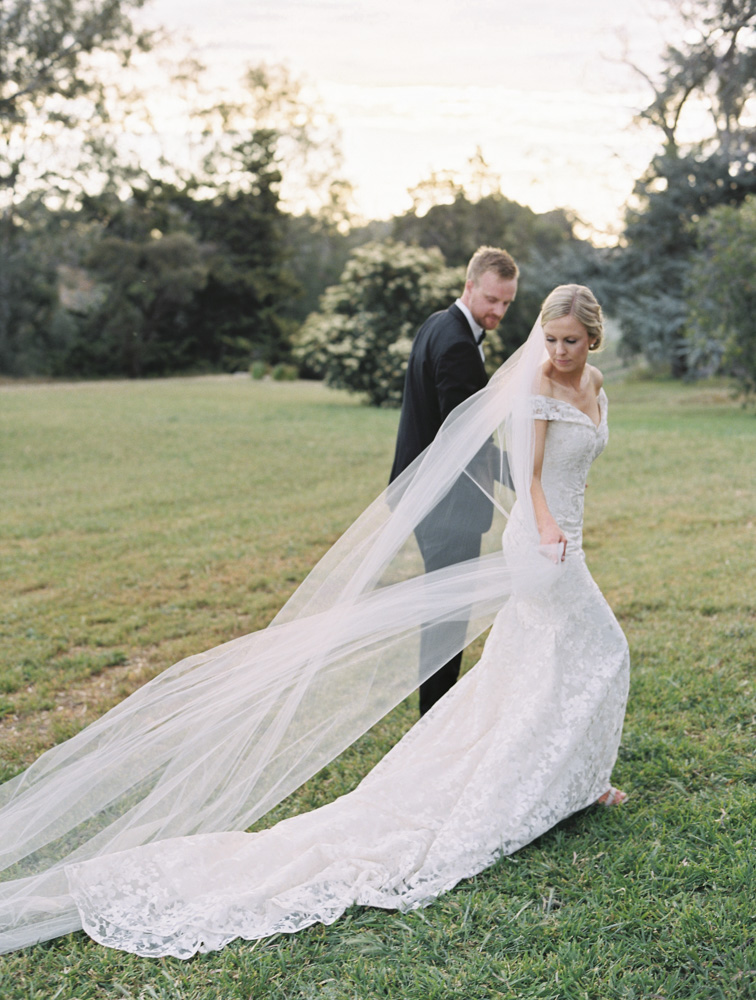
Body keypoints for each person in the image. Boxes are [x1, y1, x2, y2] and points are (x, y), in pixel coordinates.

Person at [0, 285, 628, 959]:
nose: (557, 352)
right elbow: (528, 475)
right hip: (543, 543)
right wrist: (546, 528)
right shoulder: (536, 383)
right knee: (599, 646)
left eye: (569, 341)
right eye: (550, 339)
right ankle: (551, 781)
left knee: (544, 659)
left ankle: (569, 777)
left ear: (592, 339)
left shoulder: (592, 383)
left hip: (570, 538)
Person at [390, 246, 519, 714]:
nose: (498, 311)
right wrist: (528, 479)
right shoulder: (458, 346)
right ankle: (434, 718)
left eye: (506, 303)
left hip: (426, 498)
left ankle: (434, 714)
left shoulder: (435, 325)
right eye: (491, 299)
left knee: (441, 614)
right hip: (447, 506)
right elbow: (469, 441)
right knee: (447, 620)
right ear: (469, 286)